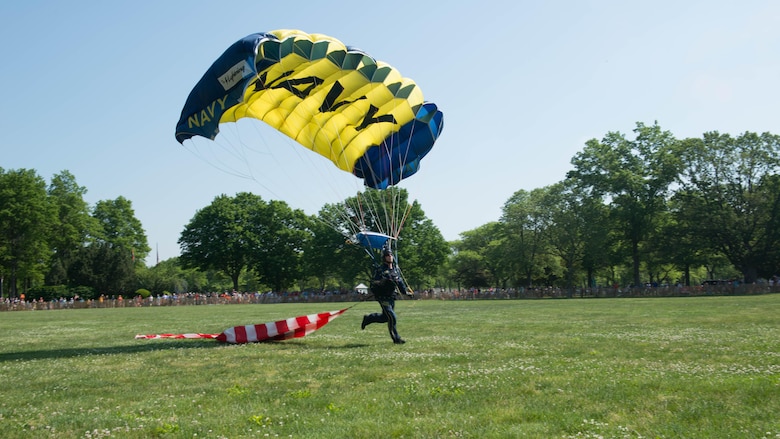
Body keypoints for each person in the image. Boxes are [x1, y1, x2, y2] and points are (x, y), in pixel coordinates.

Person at [361, 248, 414, 344]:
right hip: (382, 297)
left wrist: (406, 293)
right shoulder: (380, 270)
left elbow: (400, 282)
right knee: (392, 317)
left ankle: (369, 318)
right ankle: (396, 338)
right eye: (388, 255)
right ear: (384, 258)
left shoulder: (395, 270)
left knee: (385, 318)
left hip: (391, 297)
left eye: (391, 255)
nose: (390, 257)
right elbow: (373, 283)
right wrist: (382, 282)